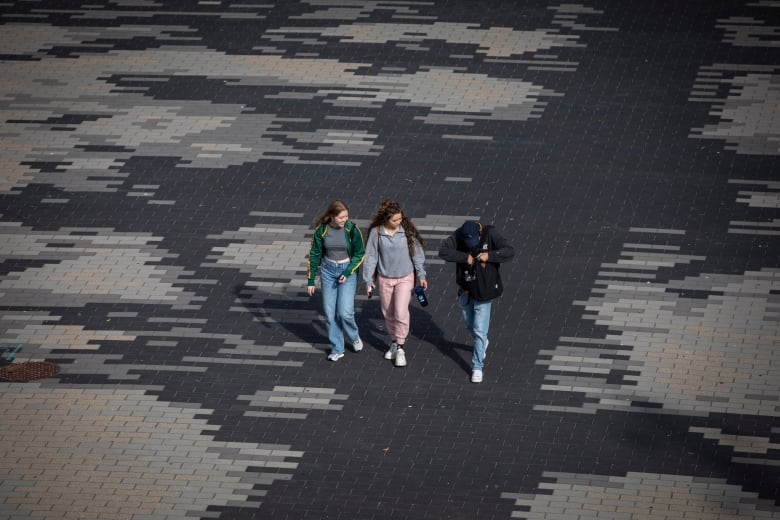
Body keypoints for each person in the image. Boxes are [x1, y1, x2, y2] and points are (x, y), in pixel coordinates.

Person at [438, 220, 514, 383]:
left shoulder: (490, 234)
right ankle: (482, 341)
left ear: (480, 234)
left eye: (473, 243)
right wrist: (465, 257)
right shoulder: (459, 234)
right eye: (467, 243)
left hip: (484, 291)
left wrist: (490, 256)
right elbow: (443, 251)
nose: (471, 246)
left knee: (480, 330)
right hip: (466, 289)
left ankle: (477, 366)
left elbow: (509, 251)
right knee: (469, 324)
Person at [363, 199, 428, 367]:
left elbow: (417, 254)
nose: (399, 222)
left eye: (400, 219)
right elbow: (371, 258)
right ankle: (393, 341)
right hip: (385, 279)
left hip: (405, 278)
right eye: (395, 220)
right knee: (388, 313)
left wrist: (421, 275)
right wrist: (368, 280)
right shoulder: (376, 233)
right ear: (386, 219)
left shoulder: (406, 231)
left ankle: (400, 346)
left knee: (400, 311)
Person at [307, 200, 366, 361]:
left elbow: (360, 254)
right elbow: (314, 255)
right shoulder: (322, 231)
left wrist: (348, 272)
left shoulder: (352, 230)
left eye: (346, 216)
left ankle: (354, 336)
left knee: (345, 313)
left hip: (347, 271)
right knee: (330, 313)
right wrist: (311, 280)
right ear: (332, 216)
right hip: (328, 271)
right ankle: (337, 348)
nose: (345, 220)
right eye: (341, 217)